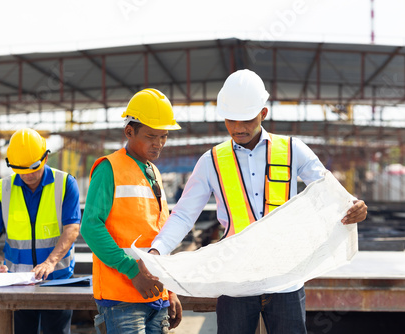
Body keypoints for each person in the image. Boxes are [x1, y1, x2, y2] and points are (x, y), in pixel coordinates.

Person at [148, 70, 368, 334]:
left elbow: (328, 189)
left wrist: (353, 205)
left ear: (263, 114)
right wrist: (157, 251)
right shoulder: (211, 162)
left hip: (285, 278)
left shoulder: (292, 150)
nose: (238, 128)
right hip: (234, 279)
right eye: (231, 120)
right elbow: (184, 214)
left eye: (247, 120)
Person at [80, 88, 183, 333]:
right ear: (129, 131)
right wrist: (132, 271)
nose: (158, 143)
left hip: (155, 295)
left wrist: (170, 290)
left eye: (163, 136)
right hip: (122, 298)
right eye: (151, 136)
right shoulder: (109, 168)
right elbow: (91, 226)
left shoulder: (154, 173)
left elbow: (160, 233)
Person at [0, 128, 81, 334]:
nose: (28, 174)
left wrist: (50, 262)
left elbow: (72, 229)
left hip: (58, 280)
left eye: (33, 168)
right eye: (21, 169)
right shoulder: (1, 190)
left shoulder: (65, 184)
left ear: (45, 157)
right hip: (18, 282)